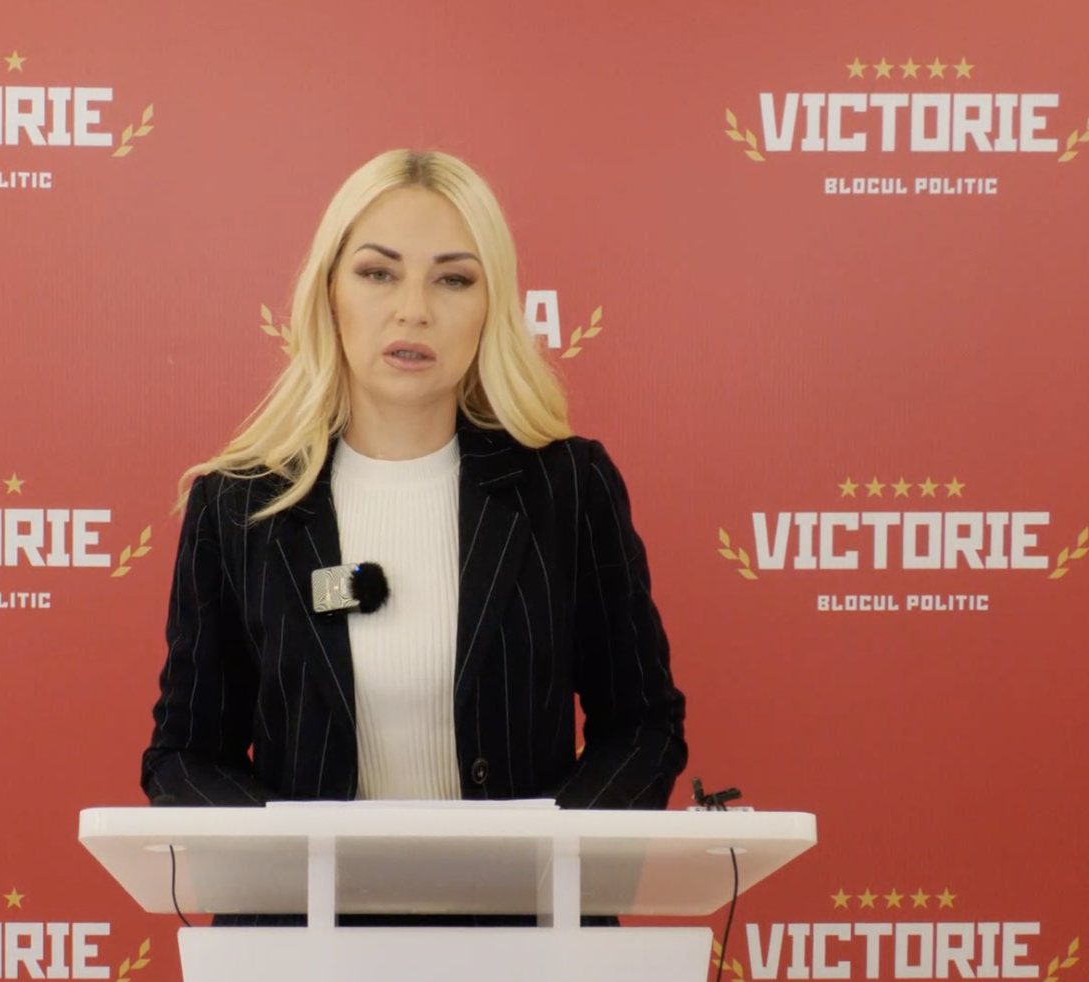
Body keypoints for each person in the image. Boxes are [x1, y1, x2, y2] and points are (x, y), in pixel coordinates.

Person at [141, 149, 686, 825]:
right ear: (330, 294)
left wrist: (546, 857)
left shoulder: (568, 487)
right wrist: (294, 858)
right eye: (378, 273)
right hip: (306, 897)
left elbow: (642, 727)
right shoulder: (237, 505)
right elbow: (185, 757)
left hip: (526, 896)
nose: (413, 310)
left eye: (453, 280)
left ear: (491, 306)